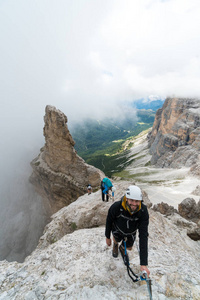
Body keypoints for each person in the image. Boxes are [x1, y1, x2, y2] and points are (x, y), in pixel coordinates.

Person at [105, 185, 150, 277]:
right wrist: (107, 236)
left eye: (137, 201)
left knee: (129, 247)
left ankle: (122, 248)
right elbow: (109, 220)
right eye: (131, 200)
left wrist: (143, 264)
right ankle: (116, 245)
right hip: (118, 229)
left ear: (140, 201)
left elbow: (143, 235)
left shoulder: (143, 211)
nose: (134, 204)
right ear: (126, 199)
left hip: (131, 233)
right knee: (116, 239)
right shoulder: (117, 207)